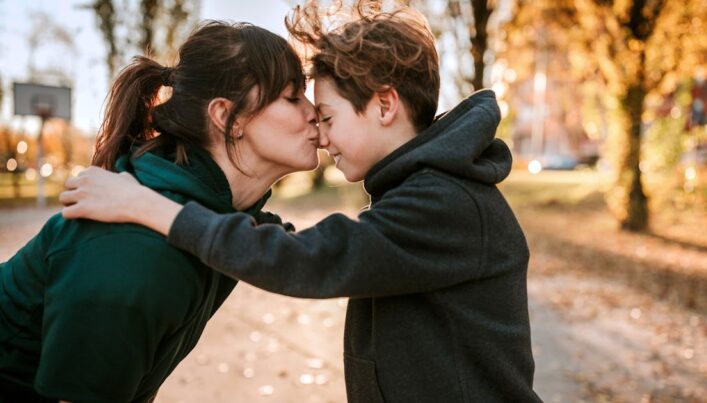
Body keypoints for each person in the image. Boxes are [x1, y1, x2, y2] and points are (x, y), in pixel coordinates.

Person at [60, 2, 542, 402]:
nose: (321, 132)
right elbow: (305, 245)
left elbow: (309, 258)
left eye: (328, 116)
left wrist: (154, 209)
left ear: (385, 105)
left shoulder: (445, 203)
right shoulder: (427, 191)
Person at [0, 21, 319, 402]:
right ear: (227, 117)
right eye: (293, 96)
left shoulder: (215, 220)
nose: (315, 112)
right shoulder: (136, 252)